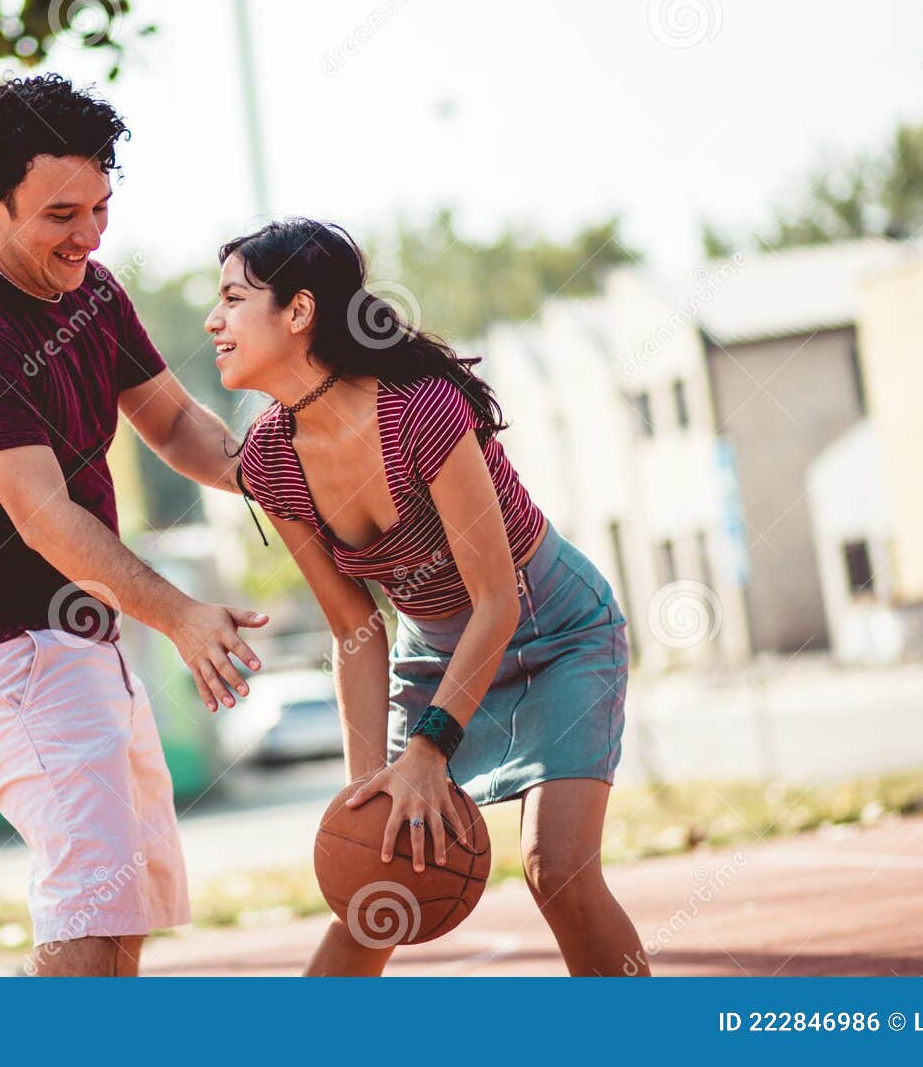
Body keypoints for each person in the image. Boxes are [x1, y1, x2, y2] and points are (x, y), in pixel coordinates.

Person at [209, 218, 647, 977]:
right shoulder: (269, 461)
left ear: (300, 312)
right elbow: (354, 628)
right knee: (367, 883)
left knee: (559, 871)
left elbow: (497, 601)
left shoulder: (423, 410)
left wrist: (427, 748)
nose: (213, 321)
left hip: (556, 630)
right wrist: (361, 795)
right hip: (433, 649)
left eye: (232, 299)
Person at [0, 74, 265, 977]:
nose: (91, 234)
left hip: (82, 641)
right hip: (9, 658)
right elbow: (43, 517)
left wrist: (283, 480)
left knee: (123, 913)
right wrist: (182, 615)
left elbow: (177, 425)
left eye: (101, 206)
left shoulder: (92, 291)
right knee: (91, 906)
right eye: (62, 214)